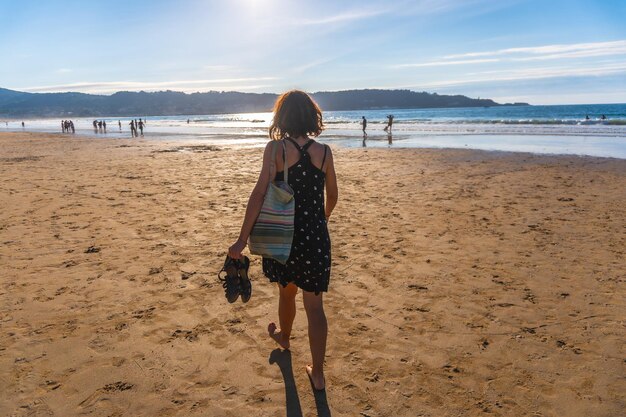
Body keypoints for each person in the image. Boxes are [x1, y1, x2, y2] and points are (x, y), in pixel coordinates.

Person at [228, 90, 338, 391]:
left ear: (283, 118)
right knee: (315, 308)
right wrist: (321, 220)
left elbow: (260, 193)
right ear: (312, 116)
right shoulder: (325, 152)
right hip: (315, 238)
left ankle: (285, 338)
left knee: (286, 293)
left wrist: (241, 240)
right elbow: (333, 196)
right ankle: (318, 374)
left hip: (283, 238)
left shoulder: (276, 150)